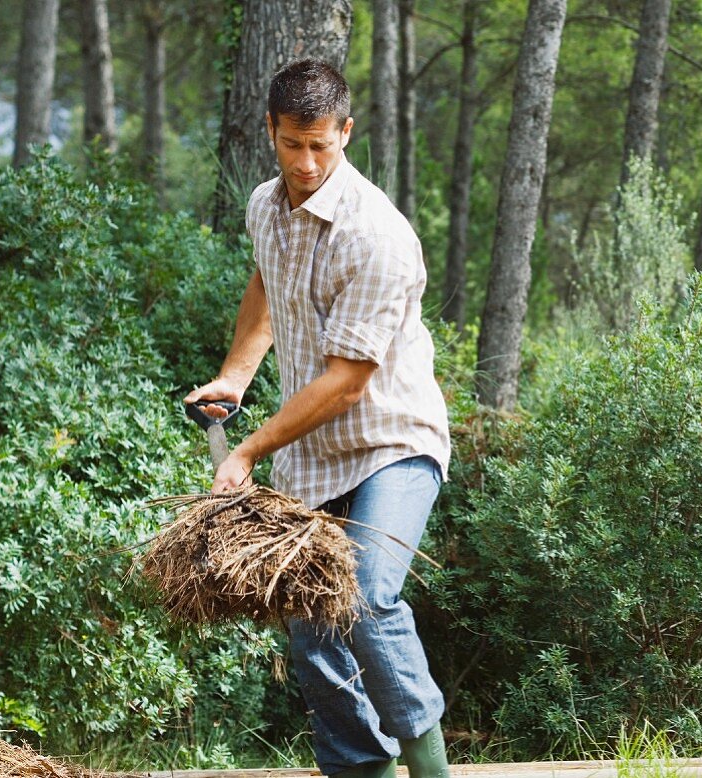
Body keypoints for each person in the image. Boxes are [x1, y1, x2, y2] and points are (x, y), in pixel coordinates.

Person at [184, 58, 451, 778]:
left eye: (321, 146)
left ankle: (431, 771)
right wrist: (236, 376)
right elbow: (267, 280)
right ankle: (365, 773)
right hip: (313, 451)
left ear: (347, 133)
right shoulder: (266, 205)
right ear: (270, 130)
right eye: (292, 144)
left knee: (365, 596)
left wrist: (245, 452)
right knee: (310, 625)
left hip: (391, 440)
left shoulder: (378, 238)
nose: (305, 163)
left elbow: (346, 384)